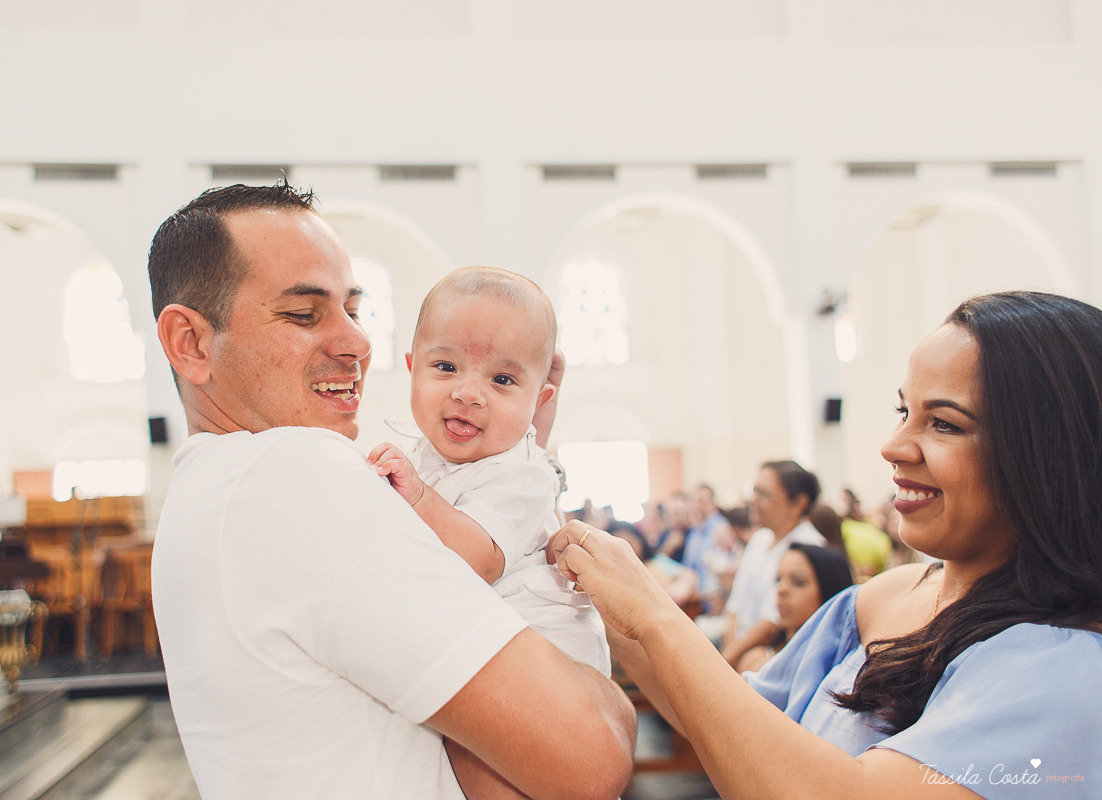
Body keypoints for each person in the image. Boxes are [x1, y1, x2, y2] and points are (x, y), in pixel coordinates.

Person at [148, 184, 635, 800]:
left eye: (352, 309)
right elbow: (590, 758)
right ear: (190, 343)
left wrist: (522, 454)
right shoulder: (293, 472)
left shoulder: (207, 489)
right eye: (304, 314)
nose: (355, 342)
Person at [551, 291, 1102, 799]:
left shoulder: (1064, 666)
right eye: (903, 412)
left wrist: (656, 616)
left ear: (1046, 456)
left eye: (944, 424)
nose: (894, 446)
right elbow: (736, 721)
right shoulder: (882, 598)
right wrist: (565, 549)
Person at [366, 267, 609, 799]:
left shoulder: (522, 474)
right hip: (490, 648)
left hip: (547, 663)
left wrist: (414, 496)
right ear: (411, 369)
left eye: (502, 380)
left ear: (538, 399)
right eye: (446, 366)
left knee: (487, 769)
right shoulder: (426, 457)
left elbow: (477, 557)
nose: (469, 393)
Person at [721, 461, 826, 668]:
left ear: (799, 503)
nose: (753, 500)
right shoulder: (759, 539)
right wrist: (728, 654)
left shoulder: (809, 549)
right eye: (754, 490)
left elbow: (771, 625)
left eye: (764, 494)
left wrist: (725, 663)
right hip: (738, 651)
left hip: (775, 654)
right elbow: (735, 606)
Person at [736, 543, 854, 673]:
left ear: (831, 592)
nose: (782, 589)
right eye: (778, 580)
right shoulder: (757, 661)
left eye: (798, 582)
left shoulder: (844, 670)